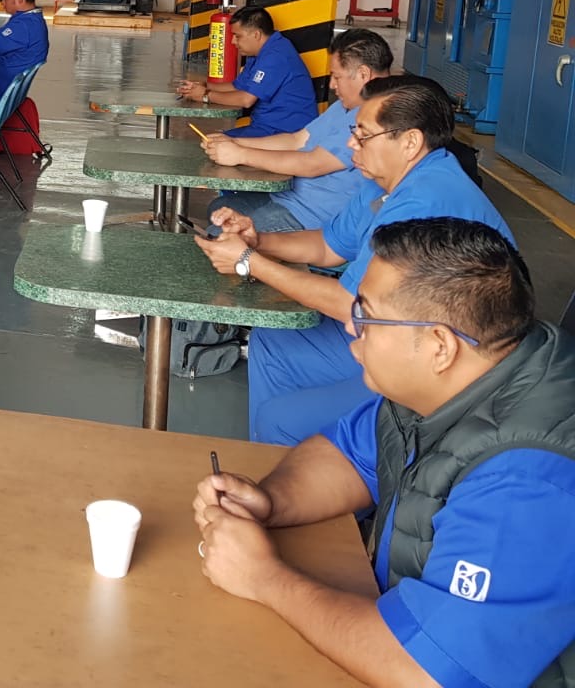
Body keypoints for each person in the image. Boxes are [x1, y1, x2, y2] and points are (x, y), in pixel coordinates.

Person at [194, 219, 575, 688]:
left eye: (367, 316)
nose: (351, 328)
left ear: (439, 346)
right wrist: (271, 501)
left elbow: (426, 672)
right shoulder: (468, 373)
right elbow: (350, 454)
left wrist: (263, 577)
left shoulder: (528, 480)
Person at [195, 75, 514, 446]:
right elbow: (328, 246)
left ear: (410, 142)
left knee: (281, 420)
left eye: (363, 135)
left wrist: (249, 261)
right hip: (396, 329)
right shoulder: (386, 181)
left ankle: (316, 462)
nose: (351, 144)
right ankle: (287, 459)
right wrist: (259, 240)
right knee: (273, 342)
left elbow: (351, 306)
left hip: (443, 369)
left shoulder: (425, 201)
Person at [201, 28, 393, 234]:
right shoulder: (345, 105)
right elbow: (297, 140)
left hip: (312, 216)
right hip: (291, 197)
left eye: (336, 77)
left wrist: (241, 155)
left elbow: (312, 164)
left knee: (219, 234)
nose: (331, 85)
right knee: (219, 207)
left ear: (363, 74)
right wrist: (234, 143)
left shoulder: (377, 117)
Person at [176, 4, 317, 138]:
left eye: (238, 36)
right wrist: (203, 86)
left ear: (256, 35)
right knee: (216, 141)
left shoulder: (276, 56)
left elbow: (246, 100)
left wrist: (205, 95)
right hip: (267, 127)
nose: (233, 41)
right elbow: (238, 87)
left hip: (287, 133)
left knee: (217, 144)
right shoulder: (258, 53)